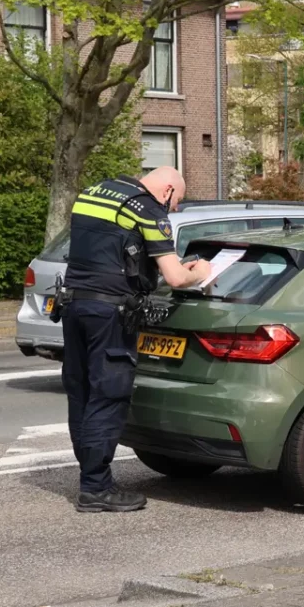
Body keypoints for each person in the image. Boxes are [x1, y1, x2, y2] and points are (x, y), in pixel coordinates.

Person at [60, 167, 210, 513]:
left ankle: (91, 477)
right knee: (109, 394)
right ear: (168, 189)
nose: (173, 210)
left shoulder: (94, 191)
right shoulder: (147, 209)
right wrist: (198, 273)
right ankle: (95, 489)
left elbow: (111, 251)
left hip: (75, 305)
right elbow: (174, 277)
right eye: (177, 202)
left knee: (81, 393)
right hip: (110, 314)